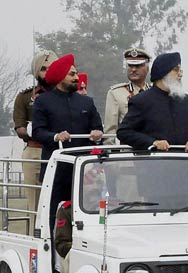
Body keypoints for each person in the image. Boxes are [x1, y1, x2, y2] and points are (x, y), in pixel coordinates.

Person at [31, 53, 103, 231]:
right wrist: (56, 136)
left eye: (76, 73)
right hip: (56, 170)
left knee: (87, 214)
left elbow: (98, 127)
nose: (76, 78)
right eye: (71, 74)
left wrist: (97, 134)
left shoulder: (87, 101)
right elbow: (38, 131)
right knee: (55, 214)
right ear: (60, 77)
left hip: (85, 171)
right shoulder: (43, 102)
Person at [117, 52, 188, 151]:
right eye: (176, 70)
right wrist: (153, 142)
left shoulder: (185, 100)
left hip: (184, 162)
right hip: (154, 163)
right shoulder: (141, 101)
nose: (180, 74)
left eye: (180, 70)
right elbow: (124, 132)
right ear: (163, 72)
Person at [12, 50, 58, 234]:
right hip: (34, 151)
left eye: (51, 68)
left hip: (57, 151)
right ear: (36, 72)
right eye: (43, 69)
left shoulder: (64, 96)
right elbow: (19, 127)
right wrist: (35, 131)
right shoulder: (24, 97)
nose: (47, 73)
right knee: (35, 202)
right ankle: (35, 237)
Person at [104, 48, 152, 145]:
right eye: (130, 66)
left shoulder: (154, 91)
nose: (133, 69)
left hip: (152, 149)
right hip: (128, 152)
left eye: (138, 66)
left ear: (147, 68)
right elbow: (110, 130)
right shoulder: (116, 93)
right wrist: (111, 154)